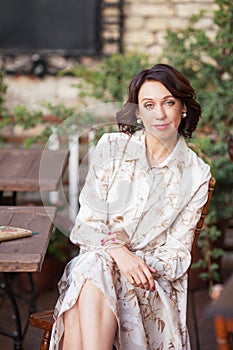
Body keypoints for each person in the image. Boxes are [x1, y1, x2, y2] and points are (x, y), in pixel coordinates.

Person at [49, 63, 211, 350]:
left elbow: (177, 255)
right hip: (99, 265)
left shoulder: (196, 174)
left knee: (89, 272)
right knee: (94, 265)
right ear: (138, 112)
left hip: (149, 281)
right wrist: (118, 253)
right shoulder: (111, 148)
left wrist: (136, 264)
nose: (159, 114)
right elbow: (85, 224)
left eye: (168, 102)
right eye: (148, 105)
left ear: (183, 108)